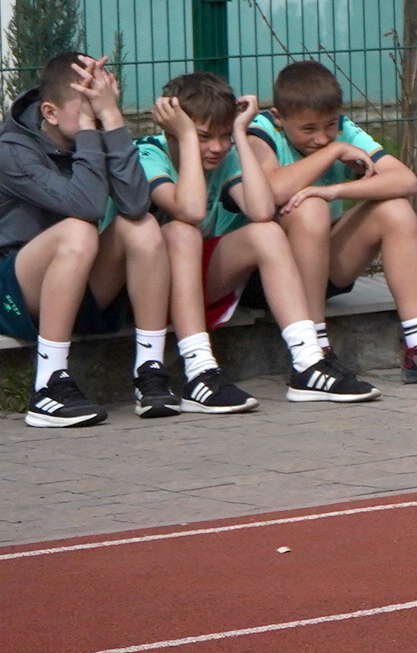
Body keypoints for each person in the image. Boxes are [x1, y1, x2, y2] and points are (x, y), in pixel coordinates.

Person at [139, 72, 378, 406]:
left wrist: (240, 132)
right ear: (173, 129)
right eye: (204, 137)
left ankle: (308, 362)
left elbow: (262, 210)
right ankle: (199, 371)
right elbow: (190, 210)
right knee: (181, 232)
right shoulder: (149, 153)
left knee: (266, 232)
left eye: (224, 136)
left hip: (202, 280)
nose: (217, 147)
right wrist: (187, 140)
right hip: (148, 290)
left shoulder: (227, 154)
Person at [250, 60, 417, 385]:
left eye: (330, 126)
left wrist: (336, 190)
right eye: (308, 129)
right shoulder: (260, 131)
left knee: (395, 209)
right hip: (262, 276)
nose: (322, 137)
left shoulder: (343, 129)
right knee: (309, 206)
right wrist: (334, 153)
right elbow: (273, 191)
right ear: (278, 117)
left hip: (319, 267)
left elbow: (405, 180)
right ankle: (315, 352)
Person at [0, 53, 171, 425]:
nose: (96, 115)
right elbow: (87, 205)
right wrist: (96, 130)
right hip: (14, 291)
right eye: (88, 108)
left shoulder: (95, 131)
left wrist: (112, 120)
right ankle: (47, 386)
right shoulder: (12, 151)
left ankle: (150, 372)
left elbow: (137, 204)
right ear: (49, 112)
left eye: (103, 103)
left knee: (142, 227)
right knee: (78, 230)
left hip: (79, 282)